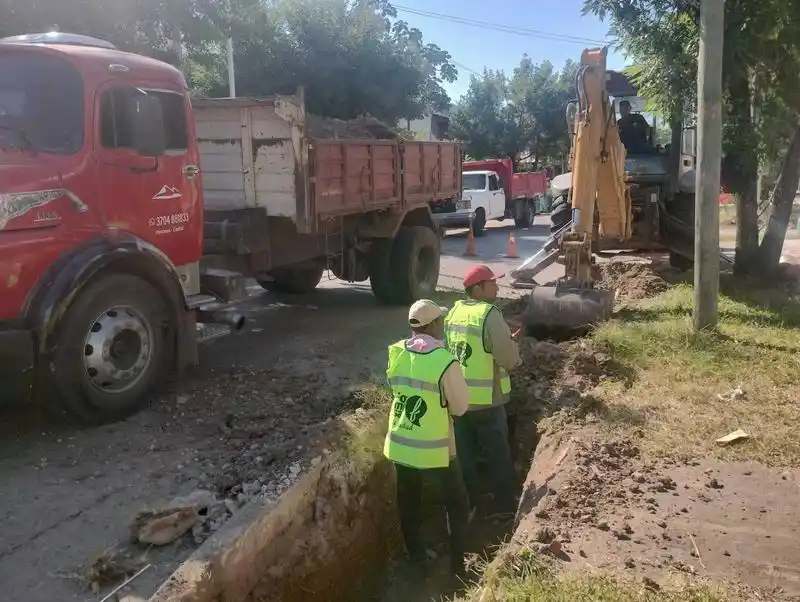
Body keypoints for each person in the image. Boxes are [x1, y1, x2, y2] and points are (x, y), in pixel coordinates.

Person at [384, 299, 471, 577]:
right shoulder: (444, 361)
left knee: (408, 501)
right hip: (437, 449)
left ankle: (417, 557)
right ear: (434, 324)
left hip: (401, 445)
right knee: (456, 503)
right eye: (440, 321)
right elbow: (460, 407)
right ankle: (459, 565)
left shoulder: (396, 353)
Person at [444, 265, 522, 517]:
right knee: (498, 453)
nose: (497, 286)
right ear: (478, 288)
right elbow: (507, 358)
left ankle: (473, 501)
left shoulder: (454, 312)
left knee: (465, 455)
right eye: (492, 283)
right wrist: (514, 350)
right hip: (488, 401)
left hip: (460, 401)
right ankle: (505, 506)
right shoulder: (489, 315)